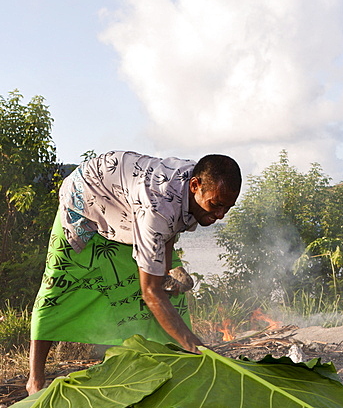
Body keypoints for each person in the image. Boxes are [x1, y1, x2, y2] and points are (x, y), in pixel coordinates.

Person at [26, 150, 241, 393]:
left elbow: (171, 227)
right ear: (195, 186)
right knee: (59, 287)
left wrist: (168, 270)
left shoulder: (196, 185)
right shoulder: (157, 207)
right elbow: (150, 292)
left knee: (168, 295)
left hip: (126, 208)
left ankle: (167, 364)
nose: (221, 215)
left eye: (228, 207)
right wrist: (199, 348)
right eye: (216, 205)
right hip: (85, 198)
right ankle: (35, 381)